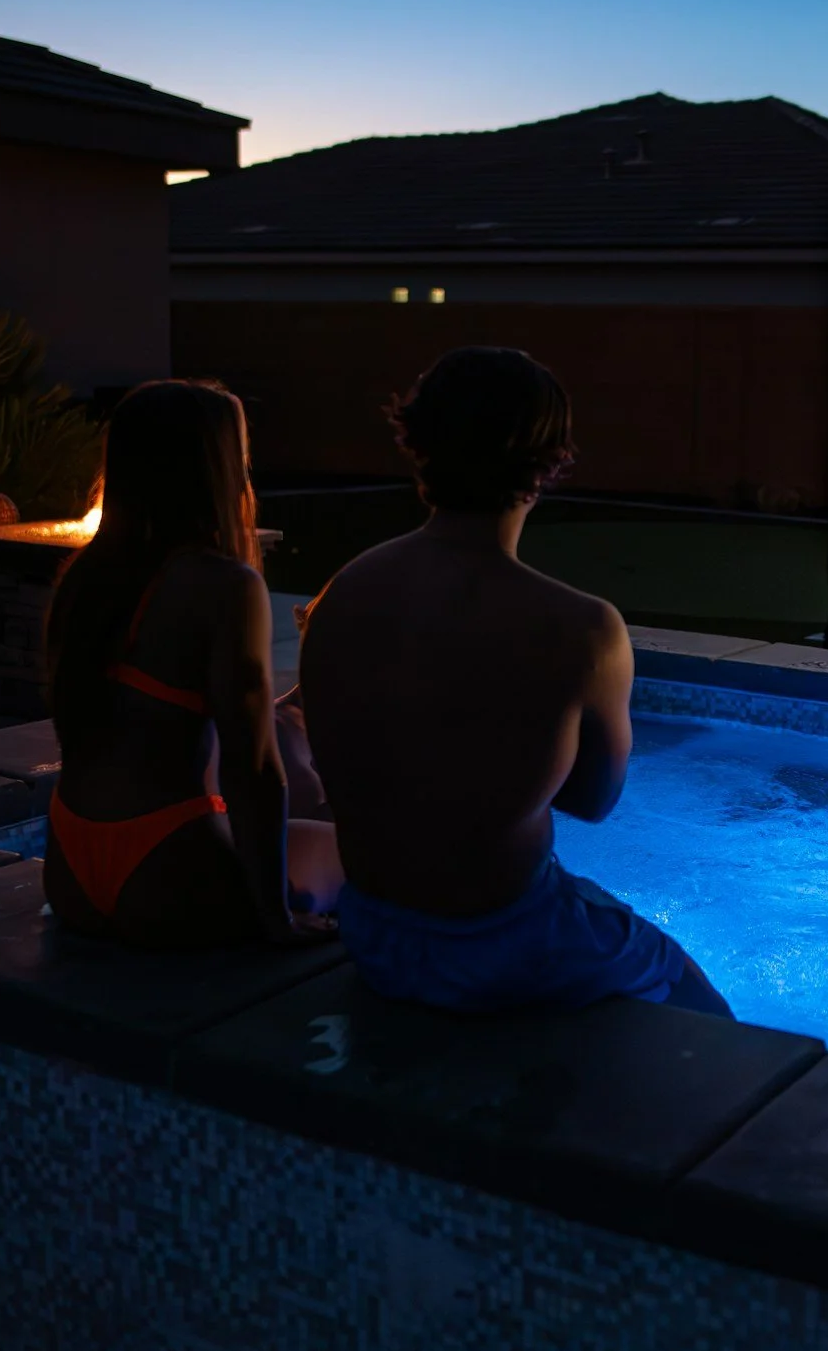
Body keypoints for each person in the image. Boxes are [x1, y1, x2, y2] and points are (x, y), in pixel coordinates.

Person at [299, 347, 730, 1015]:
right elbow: (593, 800)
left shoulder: (341, 596)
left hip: (376, 934)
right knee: (710, 1017)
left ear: (423, 446)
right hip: (506, 943)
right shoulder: (583, 629)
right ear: (548, 459)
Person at [43, 380, 344, 949]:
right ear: (216, 469)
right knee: (370, 855)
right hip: (169, 870)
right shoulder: (226, 586)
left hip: (69, 869)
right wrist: (273, 916)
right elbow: (252, 769)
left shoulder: (82, 580)